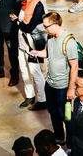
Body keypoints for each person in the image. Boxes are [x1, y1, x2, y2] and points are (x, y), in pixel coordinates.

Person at [30, 12, 78, 147]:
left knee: (67, 117)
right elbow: (49, 53)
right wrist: (37, 53)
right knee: (54, 114)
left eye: (47, 26)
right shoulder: (50, 37)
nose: (45, 29)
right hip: (50, 84)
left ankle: (71, 145)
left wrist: (71, 89)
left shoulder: (69, 42)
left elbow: (74, 67)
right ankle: (59, 138)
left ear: (56, 24)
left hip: (63, 88)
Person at [9, 0, 46, 111]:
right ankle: (29, 96)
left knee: (35, 72)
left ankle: (42, 99)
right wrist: (17, 20)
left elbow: (28, 27)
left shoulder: (38, 7)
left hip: (32, 46)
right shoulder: (24, 4)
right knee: (24, 70)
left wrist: (18, 21)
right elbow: (23, 24)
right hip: (22, 44)